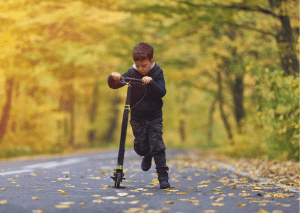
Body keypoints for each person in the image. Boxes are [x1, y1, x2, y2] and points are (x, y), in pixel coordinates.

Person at [107, 42, 170, 189]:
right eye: (138, 66)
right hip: (137, 117)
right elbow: (115, 84)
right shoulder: (131, 73)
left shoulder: (157, 72)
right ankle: (146, 154)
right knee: (140, 148)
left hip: (154, 116)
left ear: (151, 62)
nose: (141, 69)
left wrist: (151, 83)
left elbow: (162, 91)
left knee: (158, 145)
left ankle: (163, 177)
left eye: (144, 66)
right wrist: (113, 77)